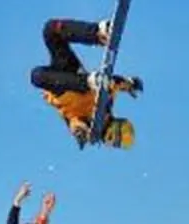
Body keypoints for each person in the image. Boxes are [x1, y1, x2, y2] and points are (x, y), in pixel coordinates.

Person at [29, 18, 142, 147]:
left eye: (115, 143)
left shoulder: (88, 124)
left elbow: (75, 125)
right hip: (75, 76)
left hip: (63, 90)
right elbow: (114, 82)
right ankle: (98, 34)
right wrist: (130, 84)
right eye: (115, 141)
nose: (111, 144)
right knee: (51, 30)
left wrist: (80, 133)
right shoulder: (108, 102)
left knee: (36, 76)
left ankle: (89, 81)